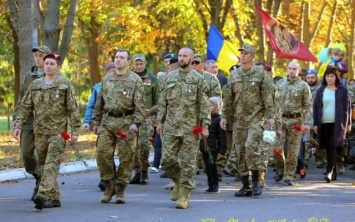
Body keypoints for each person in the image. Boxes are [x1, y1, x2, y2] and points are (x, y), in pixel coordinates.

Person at [13, 53, 81, 211]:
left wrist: (75, 131)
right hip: (40, 131)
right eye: (47, 63)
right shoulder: (36, 85)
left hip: (58, 132)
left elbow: (73, 109)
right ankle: (55, 198)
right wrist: (18, 125)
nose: (49, 66)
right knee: (43, 165)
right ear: (43, 66)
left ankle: (42, 194)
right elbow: (25, 107)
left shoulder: (64, 85)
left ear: (58, 66)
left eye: (52, 63)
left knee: (51, 163)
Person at [156, 47, 210, 209]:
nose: (181, 58)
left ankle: (185, 195)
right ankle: (178, 181)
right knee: (167, 160)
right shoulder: (170, 77)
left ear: (191, 58)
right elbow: (163, 101)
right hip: (171, 126)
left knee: (188, 163)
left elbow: (204, 104)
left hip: (190, 128)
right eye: (179, 55)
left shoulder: (198, 79)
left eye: (185, 56)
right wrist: (160, 121)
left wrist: (205, 125)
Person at [220, 43, 275, 197]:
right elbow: (228, 99)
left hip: (256, 119)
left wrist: (270, 116)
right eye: (241, 53)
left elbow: (267, 97)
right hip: (238, 120)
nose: (242, 55)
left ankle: (257, 181)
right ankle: (246, 185)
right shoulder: (235, 75)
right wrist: (225, 116)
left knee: (251, 145)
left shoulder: (260, 74)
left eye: (245, 53)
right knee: (240, 152)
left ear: (252, 56)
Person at [91, 49, 145, 204]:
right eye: (116, 57)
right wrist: (96, 121)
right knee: (102, 153)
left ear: (128, 61)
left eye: (122, 58)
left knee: (126, 157)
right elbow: (99, 102)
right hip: (108, 121)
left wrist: (136, 123)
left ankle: (120, 189)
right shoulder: (106, 79)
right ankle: (109, 185)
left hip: (126, 122)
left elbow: (140, 105)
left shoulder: (135, 80)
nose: (118, 60)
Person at [12, 45, 51, 201]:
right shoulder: (29, 76)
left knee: (44, 156)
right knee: (26, 153)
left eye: (41, 55)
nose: (38, 58)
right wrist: (16, 119)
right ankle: (37, 176)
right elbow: (22, 98)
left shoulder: (54, 75)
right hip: (29, 121)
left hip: (48, 123)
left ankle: (44, 186)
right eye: (36, 55)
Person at [274, 60, 312, 186]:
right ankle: (280, 170)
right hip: (281, 120)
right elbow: (274, 103)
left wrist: (307, 123)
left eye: (294, 69)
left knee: (293, 151)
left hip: (296, 121)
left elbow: (308, 106)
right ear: (287, 69)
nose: (291, 71)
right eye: (290, 68)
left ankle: (288, 175)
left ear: (299, 70)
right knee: (277, 150)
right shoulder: (279, 84)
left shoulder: (303, 86)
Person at [313, 67, 351, 182]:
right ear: (325, 77)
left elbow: (347, 108)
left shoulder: (342, 90)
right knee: (325, 146)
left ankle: (329, 171)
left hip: (338, 123)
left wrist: (348, 124)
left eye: (332, 76)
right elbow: (316, 107)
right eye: (328, 76)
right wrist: (315, 123)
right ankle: (333, 169)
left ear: (336, 77)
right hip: (323, 122)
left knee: (332, 145)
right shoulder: (320, 90)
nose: (329, 78)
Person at [82, 62, 116, 191]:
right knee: (103, 151)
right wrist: (87, 121)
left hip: (118, 123)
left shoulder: (121, 85)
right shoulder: (98, 87)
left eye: (115, 71)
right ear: (106, 72)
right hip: (102, 123)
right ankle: (105, 178)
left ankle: (113, 176)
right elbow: (91, 105)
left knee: (112, 151)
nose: (113, 73)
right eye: (110, 71)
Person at [129, 53, 159, 185]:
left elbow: (158, 100)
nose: (139, 66)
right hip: (130, 116)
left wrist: (154, 114)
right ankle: (136, 171)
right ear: (133, 64)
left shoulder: (152, 79)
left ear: (145, 64)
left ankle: (144, 170)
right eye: (136, 64)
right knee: (131, 146)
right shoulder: (127, 77)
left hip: (146, 117)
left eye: (141, 64)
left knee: (144, 145)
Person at [200, 97, 226, 193]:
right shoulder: (204, 119)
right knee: (206, 167)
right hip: (204, 147)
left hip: (214, 148)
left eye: (211, 105)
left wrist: (222, 150)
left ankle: (215, 185)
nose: (209, 107)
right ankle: (210, 184)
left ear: (218, 107)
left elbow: (222, 137)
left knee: (212, 166)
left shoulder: (219, 119)